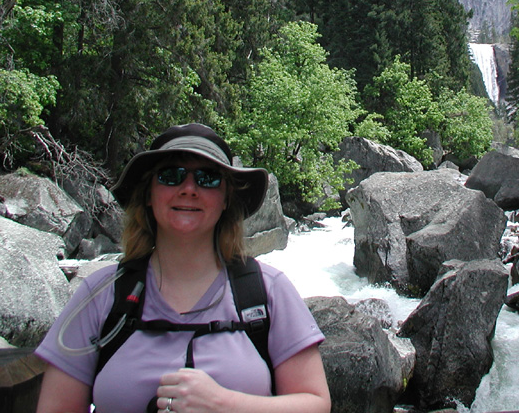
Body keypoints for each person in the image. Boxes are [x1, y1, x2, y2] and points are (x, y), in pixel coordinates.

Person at [35, 123, 331, 413]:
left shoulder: (266, 291)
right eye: (170, 175)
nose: (189, 189)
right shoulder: (101, 295)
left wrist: (224, 405)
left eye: (208, 178)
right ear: (149, 194)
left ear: (226, 198)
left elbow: (315, 403)